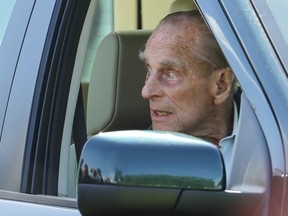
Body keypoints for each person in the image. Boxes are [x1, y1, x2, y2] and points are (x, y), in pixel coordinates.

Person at [139, 10, 238, 173]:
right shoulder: (136, 162)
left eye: (170, 74)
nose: (146, 91)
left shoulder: (275, 144)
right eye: (149, 70)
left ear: (221, 85)